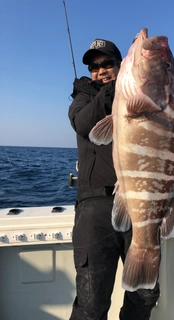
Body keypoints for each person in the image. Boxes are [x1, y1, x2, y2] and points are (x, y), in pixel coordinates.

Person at [68, 38, 160, 320]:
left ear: (121, 65)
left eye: (108, 63)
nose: (101, 70)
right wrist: (113, 90)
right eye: (95, 67)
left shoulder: (141, 96)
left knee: (146, 293)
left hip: (139, 202)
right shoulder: (83, 99)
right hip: (95, 207)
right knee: (91, 301)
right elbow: (84, 124)